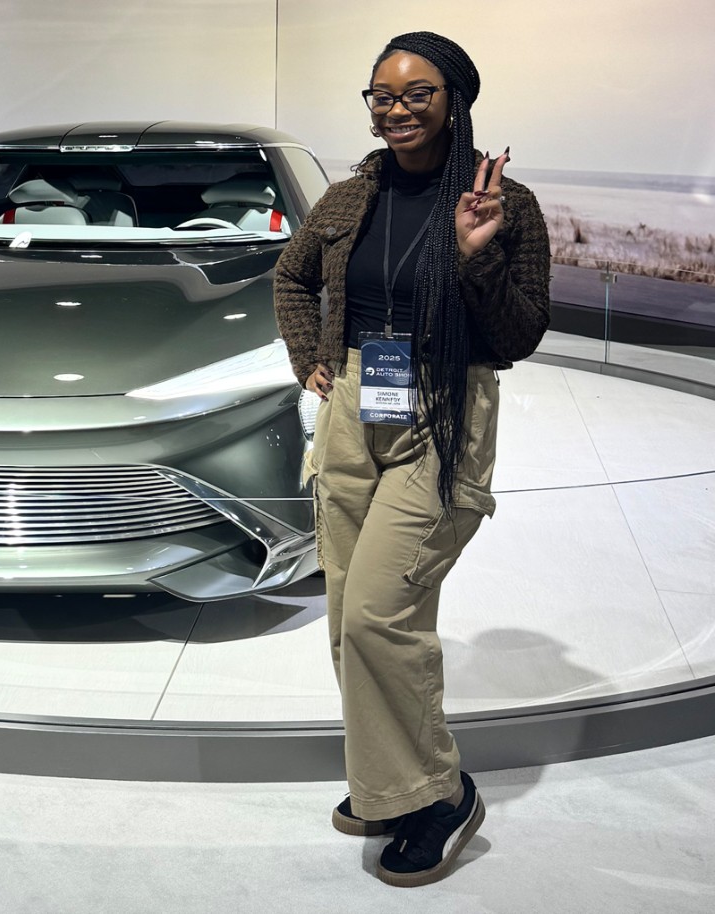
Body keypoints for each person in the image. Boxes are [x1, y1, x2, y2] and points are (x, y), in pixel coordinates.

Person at [273, 31, 551, 887]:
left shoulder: (506, 202)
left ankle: (438, 793)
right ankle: (385, 783)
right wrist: (312, 354)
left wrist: (474, 259)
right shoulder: (352, 193)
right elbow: (291, 276)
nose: (396, 111)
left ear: (455, 99)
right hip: (357, 406)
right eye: (382, 96)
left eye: (416, 94)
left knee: (377, 616)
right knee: (345, 612)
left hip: (445, 407)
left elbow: (519, 333)